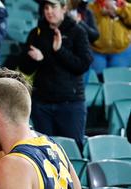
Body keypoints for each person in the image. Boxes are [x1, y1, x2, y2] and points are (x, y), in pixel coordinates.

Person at [19, 0, 92, 150]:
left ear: (64, 8)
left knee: (72, 152)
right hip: (42, 104)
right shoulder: (36, 33)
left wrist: (60, 51)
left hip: (70, 104)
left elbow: (83, 65)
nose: (49, 11)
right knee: (44, 153)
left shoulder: (77, 31)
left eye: (53, 7)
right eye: (46, 7)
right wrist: (36, 60)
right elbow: (25, 68)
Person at [89, 0, 131, 75]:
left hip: (121, 52)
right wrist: (101, 12)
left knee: (117, 81)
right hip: (96, 51)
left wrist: (118, 10)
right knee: (96, 80)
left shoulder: (126, 6)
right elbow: (87, 24)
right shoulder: (92, 6)